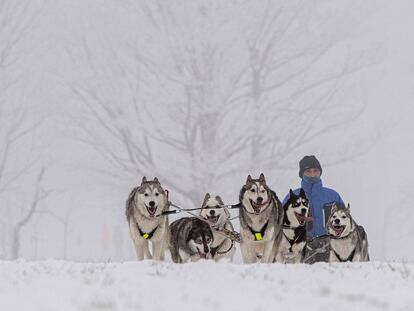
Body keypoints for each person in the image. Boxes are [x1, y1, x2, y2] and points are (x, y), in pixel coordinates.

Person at [282, 155, 344, 263]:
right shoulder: (291, 197)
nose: (312, 174)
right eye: (308, 171)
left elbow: (347, 224)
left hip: (330, 249)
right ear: (301, 174)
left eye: (315, 171)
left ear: (320, 172)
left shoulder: (333, 196)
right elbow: (278, 227)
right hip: (300, 250)